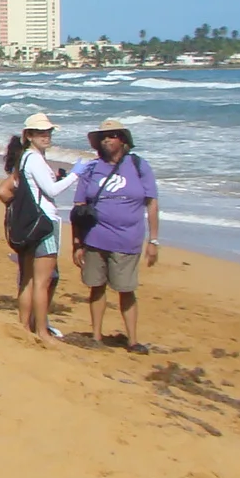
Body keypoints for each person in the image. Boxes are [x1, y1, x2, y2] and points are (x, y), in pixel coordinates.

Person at [70, 118, 159, 349]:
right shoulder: (91, 169)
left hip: (128, 241)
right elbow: (79, 208)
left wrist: (154, 240)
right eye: (103, 137)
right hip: (94, 239)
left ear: (123, 140)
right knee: (96, 287)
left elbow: (152, 204)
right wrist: (77, 243)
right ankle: (96, 337)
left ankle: (133, 341)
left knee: (126, 290)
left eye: (112, 135)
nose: (107, 140)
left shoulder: (139, 166)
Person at [0, 113, 73, 344]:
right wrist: (76, 174)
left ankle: (24, 326)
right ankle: (41, 331)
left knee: (28, 279)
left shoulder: (23, 159)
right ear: (29, 135)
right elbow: (52, 191)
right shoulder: (35, 159)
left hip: (29, 224)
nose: (46, 136)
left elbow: (6, 190)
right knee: (42, 281)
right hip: (44, 223)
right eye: (41, 132)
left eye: (48, 132)